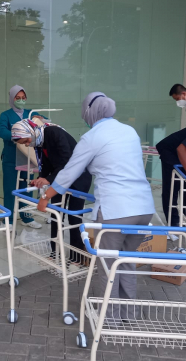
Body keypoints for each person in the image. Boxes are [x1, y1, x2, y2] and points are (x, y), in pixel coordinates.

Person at [37, 92, 155, 319]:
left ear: (90, 112)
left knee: (108, 266)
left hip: (116, 210)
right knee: (126, 262)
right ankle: (128, 313)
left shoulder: (92, 137)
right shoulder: (129, 131)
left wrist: (45, 197)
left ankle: (108, 318)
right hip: (144, 207)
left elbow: (69, 172)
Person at [10, 119, 91, 257]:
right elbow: (45, 164)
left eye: (26, 141)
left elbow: (67, 162)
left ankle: (76, 256)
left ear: (30, 132)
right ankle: (55, 252)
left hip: (79, 178)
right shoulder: (38, 141)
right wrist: (41, 179)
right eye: (24, 144)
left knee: (74, 217)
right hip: (59, 179)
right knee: (55, 215)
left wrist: (48, 179)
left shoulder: (54, 133)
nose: (27, 144)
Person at [0, 85, 43, 231]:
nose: (21, 100)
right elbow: (1, 131)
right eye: (18, 98)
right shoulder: (6, 115)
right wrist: (18, 136)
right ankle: (9, 219)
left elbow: (42, 125)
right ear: (12, 99)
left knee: (26, 189)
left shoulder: (31, 113)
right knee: (10, 188)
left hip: (28, 158)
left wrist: (40, 119)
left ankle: (27, 217)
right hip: (11, 158)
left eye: (23, 98)